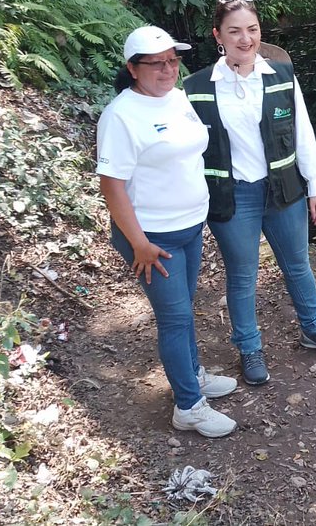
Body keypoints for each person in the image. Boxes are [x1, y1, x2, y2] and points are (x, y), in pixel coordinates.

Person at [184, 0, 316, 386]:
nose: (246, 39)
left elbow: (303, 135)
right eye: (235, 31)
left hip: (284, 192)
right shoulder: (194, 88)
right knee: (242, 276)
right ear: (218, 36)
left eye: (253, 30)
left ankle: (315, 329)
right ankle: (249, 347)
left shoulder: (281, 76)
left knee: (298, 265)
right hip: (234, 197)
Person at [96, 25, 238, 438]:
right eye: (156, 64)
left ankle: (192, 375)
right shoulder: (121, 115)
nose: (167, 70)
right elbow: (112, 185)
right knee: (174, 318)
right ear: (133, 68)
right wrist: (139, 243)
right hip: (152, 239)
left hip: (189, 226)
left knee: (185, 307)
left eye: (172, 61)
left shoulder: (177, 99)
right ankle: (188, 407)